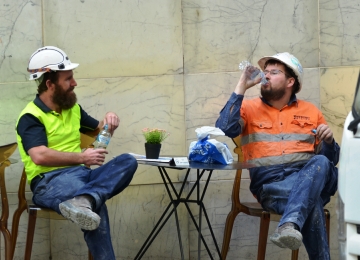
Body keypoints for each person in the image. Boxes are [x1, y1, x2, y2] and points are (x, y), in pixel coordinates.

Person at [16, 46, 138, 260]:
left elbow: (98, 132)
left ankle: (85, 200)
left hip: (82, 176)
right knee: (94, 205)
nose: (75, 83)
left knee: (128, 161)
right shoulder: (31, 116)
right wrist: (81, 157)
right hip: (49, 182)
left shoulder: (73, 109)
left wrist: (109, 121)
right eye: (68, 79)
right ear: (50, 84)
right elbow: (39, 155)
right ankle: (87, 200)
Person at [215, 52, 339, 260]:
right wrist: (241, 86)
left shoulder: (311, 111)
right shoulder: (248, 108)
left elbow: (330, 161)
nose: (266, 76)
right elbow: (224, 128)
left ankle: (289, 224)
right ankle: (290, 225)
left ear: (290, 81)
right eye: (265, 72)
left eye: (274, 72)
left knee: (321, 161)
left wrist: (328, 143)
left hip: (307, 177)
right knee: (312, 201)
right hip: (271, 186)